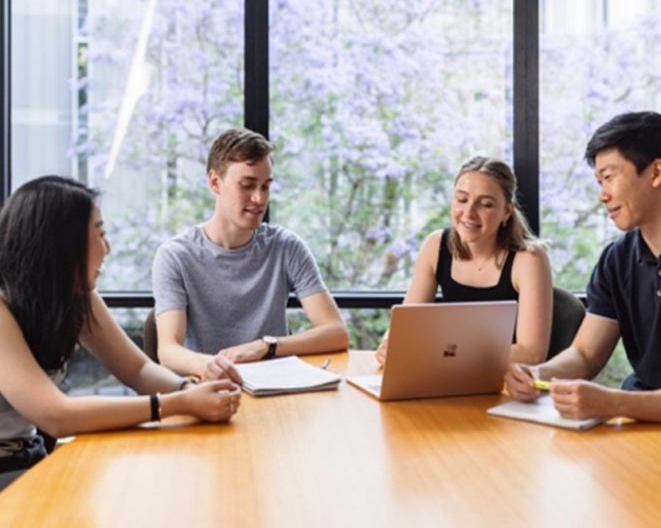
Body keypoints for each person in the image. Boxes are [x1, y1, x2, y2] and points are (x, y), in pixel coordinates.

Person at [0, 176, 240, 491]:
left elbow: (137, 369)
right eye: (100, 233)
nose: (108, 248)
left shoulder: (73, 295)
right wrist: (180, 403)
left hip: (31, 461)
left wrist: (188, 388)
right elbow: (56, 415)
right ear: (61, 243)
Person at [505, 110, 661, 423]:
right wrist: (537, 374)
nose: (602, 195)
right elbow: (585, 354)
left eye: (609, 177)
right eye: (599, 182)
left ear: (656, 173)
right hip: (641, 425)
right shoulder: (617, 259)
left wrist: (615, 403)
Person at [152, 128, 349, 381]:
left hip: (276, 391)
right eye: (247, 185)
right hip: (211, 390)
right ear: (215, 182)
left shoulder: (286, 247)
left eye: (265, 187)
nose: (259, 198)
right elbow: (168, 350)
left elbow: (336, 331)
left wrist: (266, 346)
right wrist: (219, 366)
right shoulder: (175, 256)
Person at [375, 156, 553, 366]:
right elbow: (406, 322)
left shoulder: (530, 258)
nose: (469, 213)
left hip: (506, 382)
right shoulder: (435, 245)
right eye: (461, 200)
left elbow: (531, 354)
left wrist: (442, 351)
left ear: (506, 211)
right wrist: (390, 342)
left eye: (485, 204)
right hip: (447, 372)